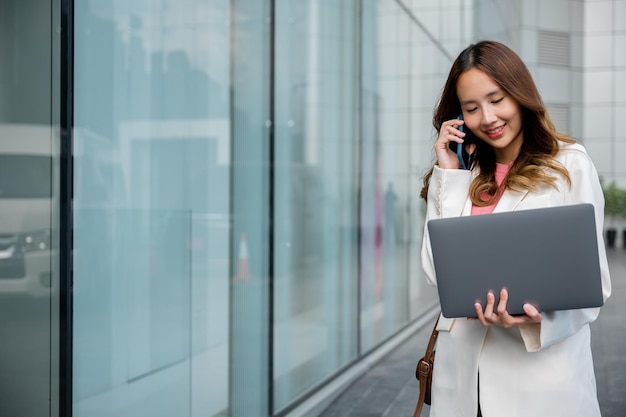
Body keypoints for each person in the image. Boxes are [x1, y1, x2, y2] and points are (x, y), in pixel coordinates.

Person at [419, 40, 611, 417]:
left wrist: (537, 318)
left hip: (537, 384)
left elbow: (594, 287)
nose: (487, 117)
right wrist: (449, 174)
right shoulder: (465, 174)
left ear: (521, 95)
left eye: (497, 99)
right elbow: (435, 272)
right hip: (462, 381)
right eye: (472, 108)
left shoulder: (569, 164)